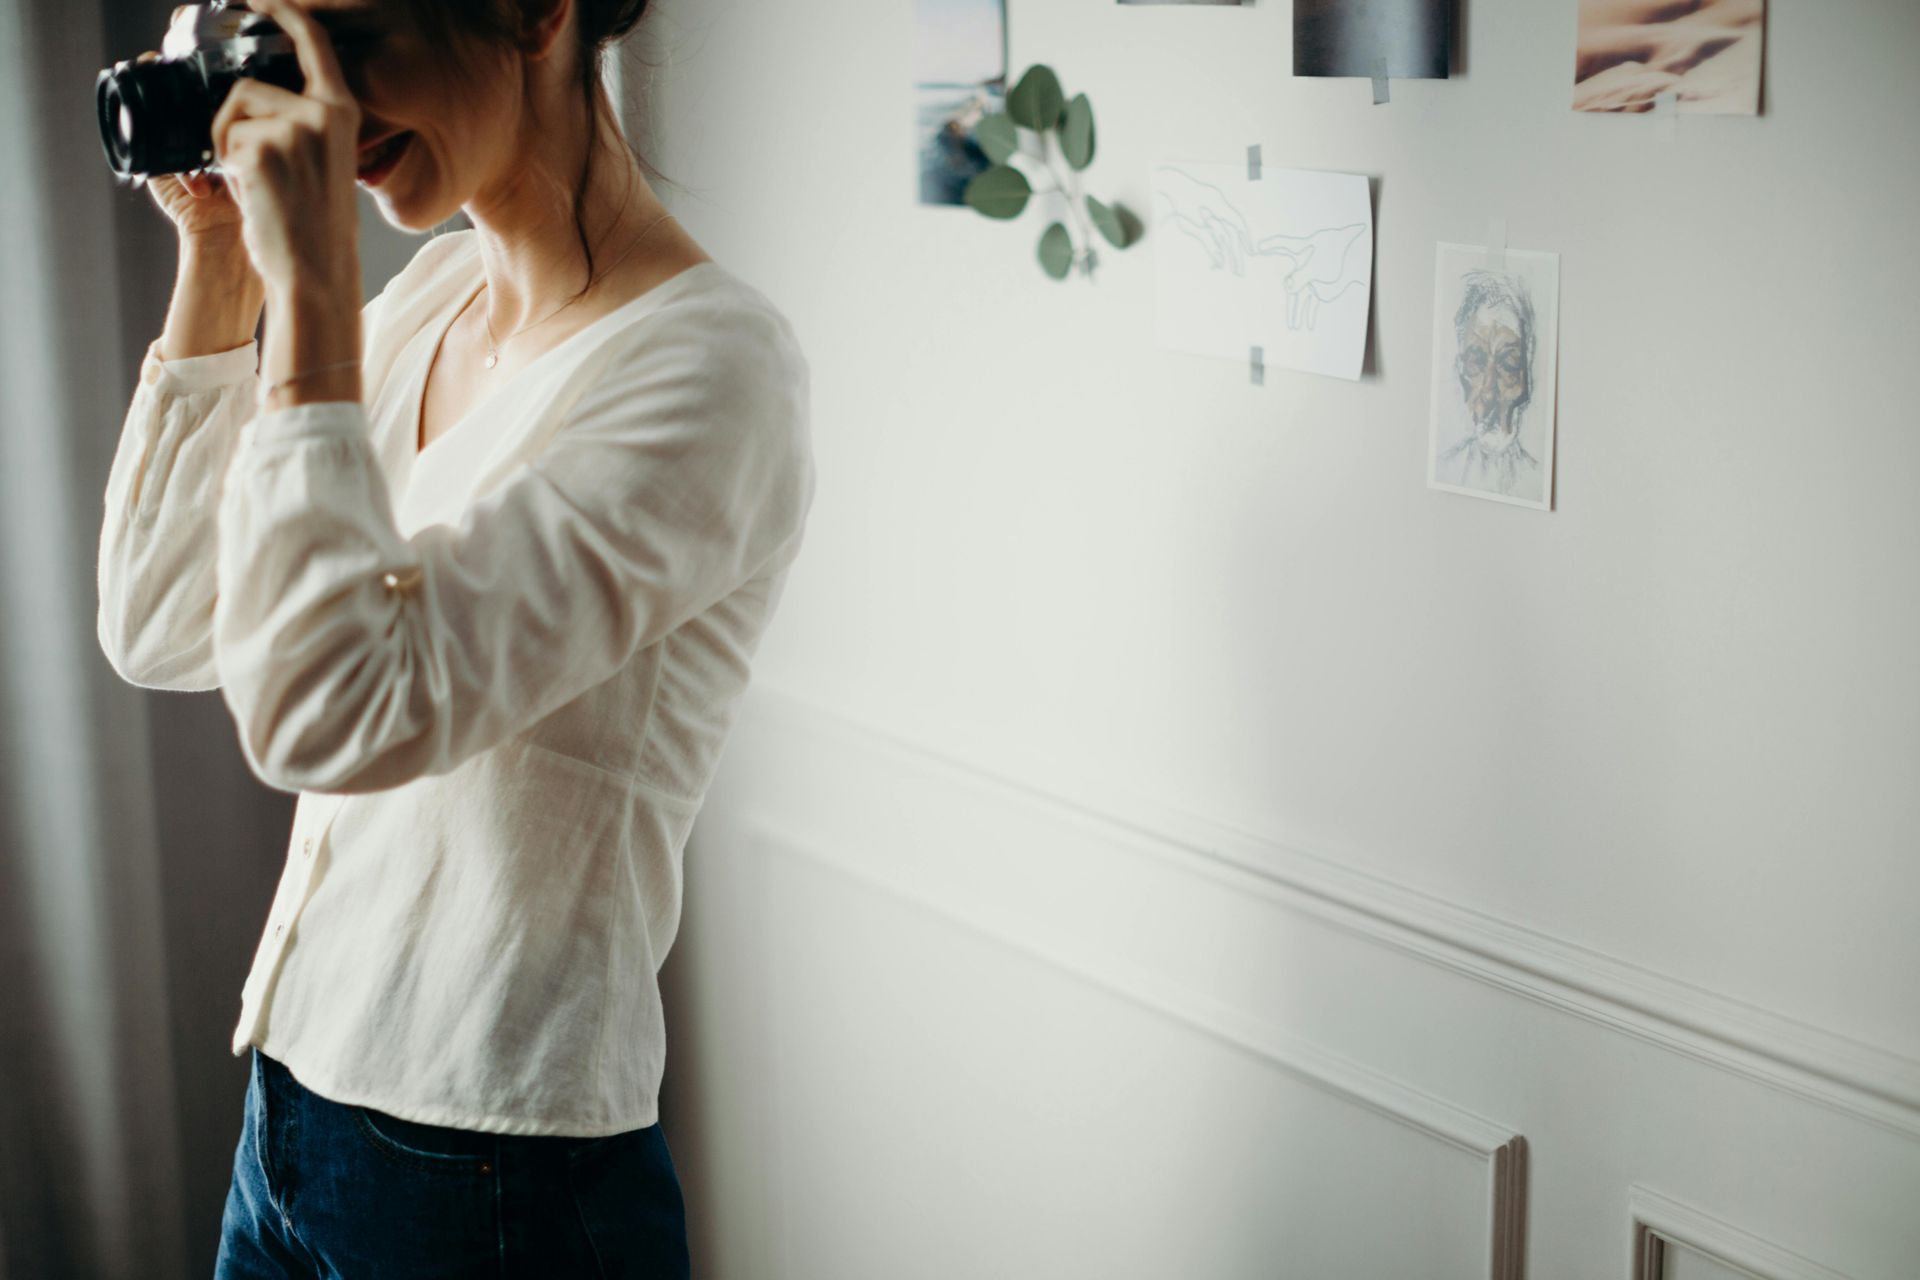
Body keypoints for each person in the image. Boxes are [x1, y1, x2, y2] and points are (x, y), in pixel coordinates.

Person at [95, 0, 815, 1274]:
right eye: (287, 51)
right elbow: (163, 622)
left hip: (497, 1178)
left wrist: (314, 286)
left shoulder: (713, 367)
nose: (328, 104)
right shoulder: (434, 300)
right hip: (290, 1105)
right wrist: (223, 253)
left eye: (354, 40)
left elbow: (333, 713)